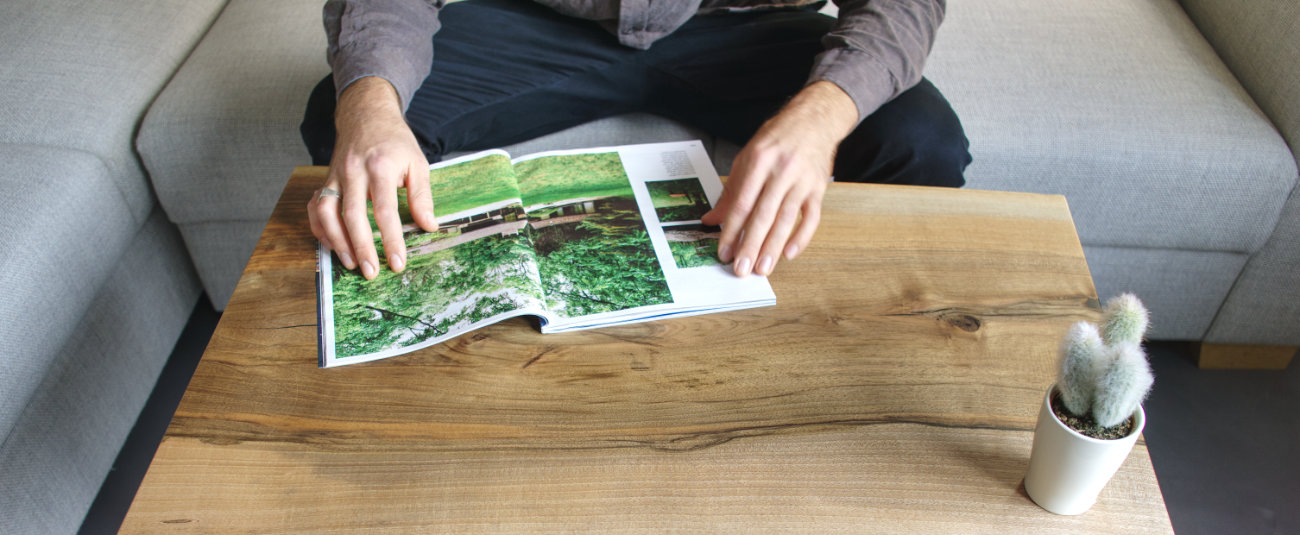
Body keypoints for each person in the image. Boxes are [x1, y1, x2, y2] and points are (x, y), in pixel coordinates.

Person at [302, 0, 969, 282]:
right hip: (541, 24)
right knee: (346, 115)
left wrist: (822, 117)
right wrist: (369, 111)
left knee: (920, 142)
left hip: (753, 28)